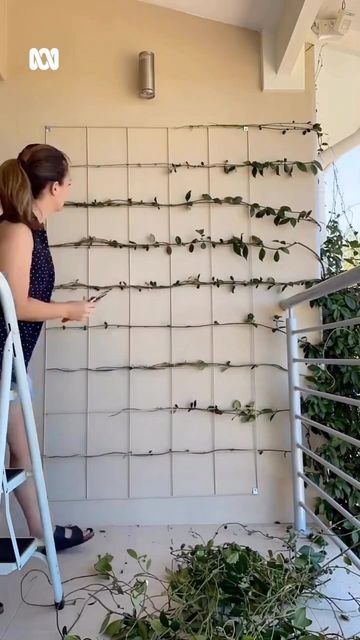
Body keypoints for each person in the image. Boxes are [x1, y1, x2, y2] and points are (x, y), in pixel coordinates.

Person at [0, 143, 96, 551]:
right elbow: (17, 304)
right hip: (1, 362)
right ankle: (45, 534)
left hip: (11, 363)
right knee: (22, 455)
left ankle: (44, 533)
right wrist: (67, 310)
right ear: (53, 187)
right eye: (68, 181)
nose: (70, 188)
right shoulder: (17, 230)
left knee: (22, 455)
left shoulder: (30, 227)